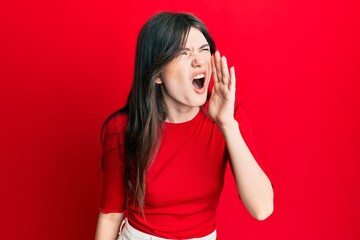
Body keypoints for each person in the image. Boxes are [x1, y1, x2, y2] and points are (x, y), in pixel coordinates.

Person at [95, 12, 273, 240]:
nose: (199, 61)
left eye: (203, 49)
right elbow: (111, 215)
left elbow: (262, 208)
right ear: (157, 74)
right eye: (183, 53)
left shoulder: (229, 117)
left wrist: (227, 124)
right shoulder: (122, 128)